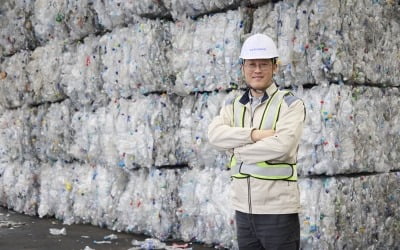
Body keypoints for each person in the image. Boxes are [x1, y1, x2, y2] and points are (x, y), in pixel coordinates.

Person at [207, 34, 305, 250]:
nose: (257, 70)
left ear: (275, 67)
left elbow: (282, 146)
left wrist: (236, 150)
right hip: (243, 211)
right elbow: (214, 135)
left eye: (263, 64)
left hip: (277, 211)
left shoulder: (290, 104)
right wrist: (254, 135)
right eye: (252, 64)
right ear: (243, 68)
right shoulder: (233, 106)